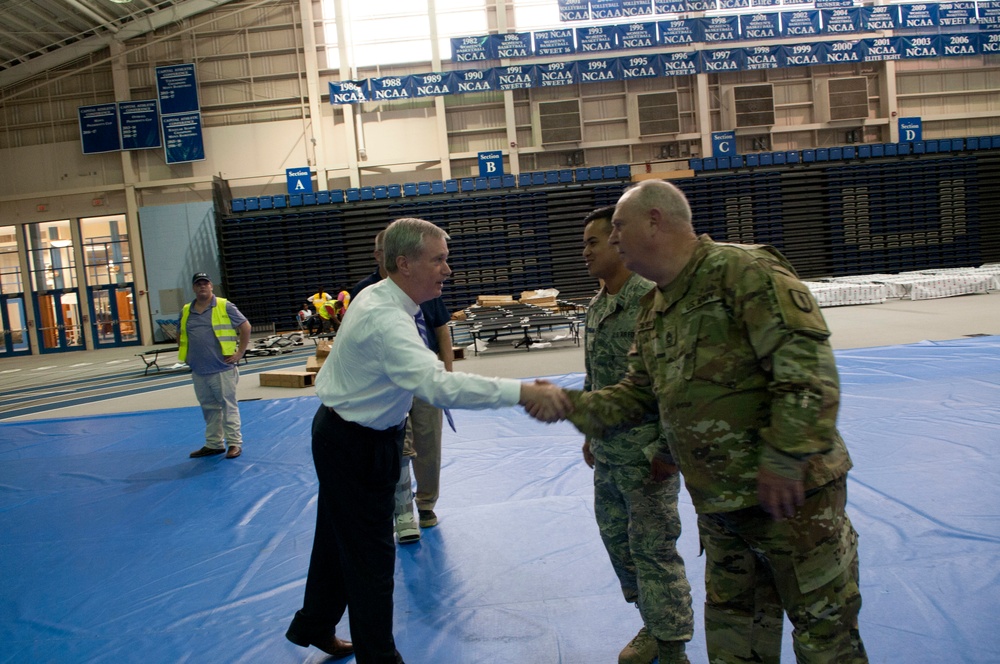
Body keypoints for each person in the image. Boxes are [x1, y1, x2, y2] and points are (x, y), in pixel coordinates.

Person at [551, 180, 868, 664]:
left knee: (825, 640)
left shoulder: (741, 270)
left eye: (618, 228)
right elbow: (641, 392)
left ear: (655, 220)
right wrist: (571, 406)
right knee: (735, 642)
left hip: (793, 504)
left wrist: (784, 459)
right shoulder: (655, 308)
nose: (612, 240)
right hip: (722, 509)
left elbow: (807, 373)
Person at [286, 217, 570, 664]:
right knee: (371, 560)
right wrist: (524, 393)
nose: (448, 269)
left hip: (355, 434)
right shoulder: (386, 319)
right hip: (353, 443)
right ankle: (379, 659)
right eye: (438, 259)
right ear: (404, 263)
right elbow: (437, 387)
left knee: (334, 538)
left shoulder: (384, 296)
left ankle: (315, 624)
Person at [579, 206, 694, 664]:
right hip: (609, 454)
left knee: (654, 551)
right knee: (618, 542)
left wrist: (667, 451)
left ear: (619, 243)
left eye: (592, 242)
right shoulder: (600, 302)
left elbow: (676, 385)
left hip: (647, 458)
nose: (583, 250)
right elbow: (594, 376)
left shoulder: (654, 300)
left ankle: (672, 649)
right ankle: (652, 622)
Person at [350, 228, 455, 544]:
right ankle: (403, 511)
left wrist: (447, 373)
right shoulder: (365, 292)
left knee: (428, 443)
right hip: (388, 384)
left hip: (425, 377)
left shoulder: (422, 286)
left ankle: (426, 503)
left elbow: (442, 330)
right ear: (381, 256)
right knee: (399, 447)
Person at [180, 272, 251, 460]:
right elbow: (183, 335)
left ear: (211, 286)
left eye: (205, 283)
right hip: (199, 369)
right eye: (198, 284)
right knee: (209, 408)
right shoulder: (187, 310)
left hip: (222, 368)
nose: (202, 286)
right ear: (194, 288)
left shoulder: (224, 306)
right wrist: (187, 356)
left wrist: (240, 353)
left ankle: (234, 443)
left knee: (228, 407)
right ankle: (214, 444)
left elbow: (245, 326)